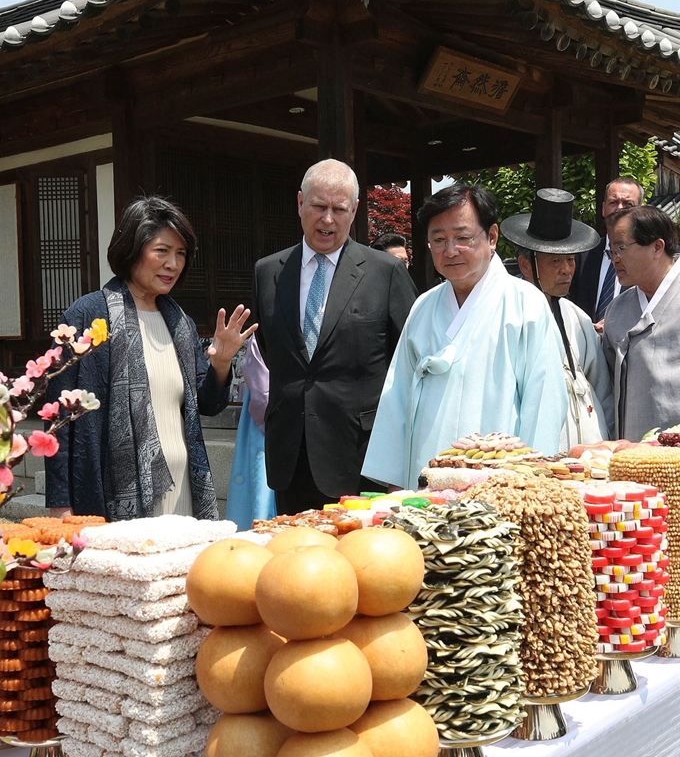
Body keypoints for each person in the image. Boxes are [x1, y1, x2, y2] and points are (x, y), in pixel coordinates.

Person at [46, 196, 256, 521]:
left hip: (183, 492)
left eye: (181, 253)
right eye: (162, 251)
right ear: (132, 249)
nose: (173, 264)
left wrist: (222, 362)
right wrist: (60, 505)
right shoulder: (88, 317)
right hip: (109, 498)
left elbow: (209, 405)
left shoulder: (180, 324)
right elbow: (58, 419)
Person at [362, 184, 567, 491]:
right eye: (439, 240)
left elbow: (543, 404)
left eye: (462, 238)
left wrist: (528, 487)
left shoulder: (526, 305)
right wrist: (396, 486)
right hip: (425, 479)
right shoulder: (423, 306)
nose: (450, 251)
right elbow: (397, 397)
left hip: (501, 483)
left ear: (492, 237)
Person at [251, 159, 417, 513]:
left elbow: (409, 362)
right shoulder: (267, 272)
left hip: (362, 457)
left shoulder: (384, 272)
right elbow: (273, 350)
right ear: (299, 204)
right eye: (318, 207)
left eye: (339, 209)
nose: (328, 219)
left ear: (354, 210)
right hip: (291, 458)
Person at [501, 188, 614, 451]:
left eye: (571, 260)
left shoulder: (577, 317)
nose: (566, 270)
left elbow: (602, 390)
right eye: (555, 261)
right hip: (535, 449)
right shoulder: (509, 315)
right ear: (526, 265)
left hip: (588, 450)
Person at [602, 205, 680, 441]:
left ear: (657, 247)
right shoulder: (616, 310)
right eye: (611, 251)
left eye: (621, 248)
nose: (615, 259)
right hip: (630, 455)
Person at [570, 176, 643, 330]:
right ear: (603, 209)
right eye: (613, 202)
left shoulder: (649, 256)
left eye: (628, 204)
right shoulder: (582, 255)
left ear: (640, 211)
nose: (620, 209)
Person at [226, 336, 277, 529]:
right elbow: (262, 394)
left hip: (286, 418)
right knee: (263, 490)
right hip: (268, 422)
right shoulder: (263, 332)